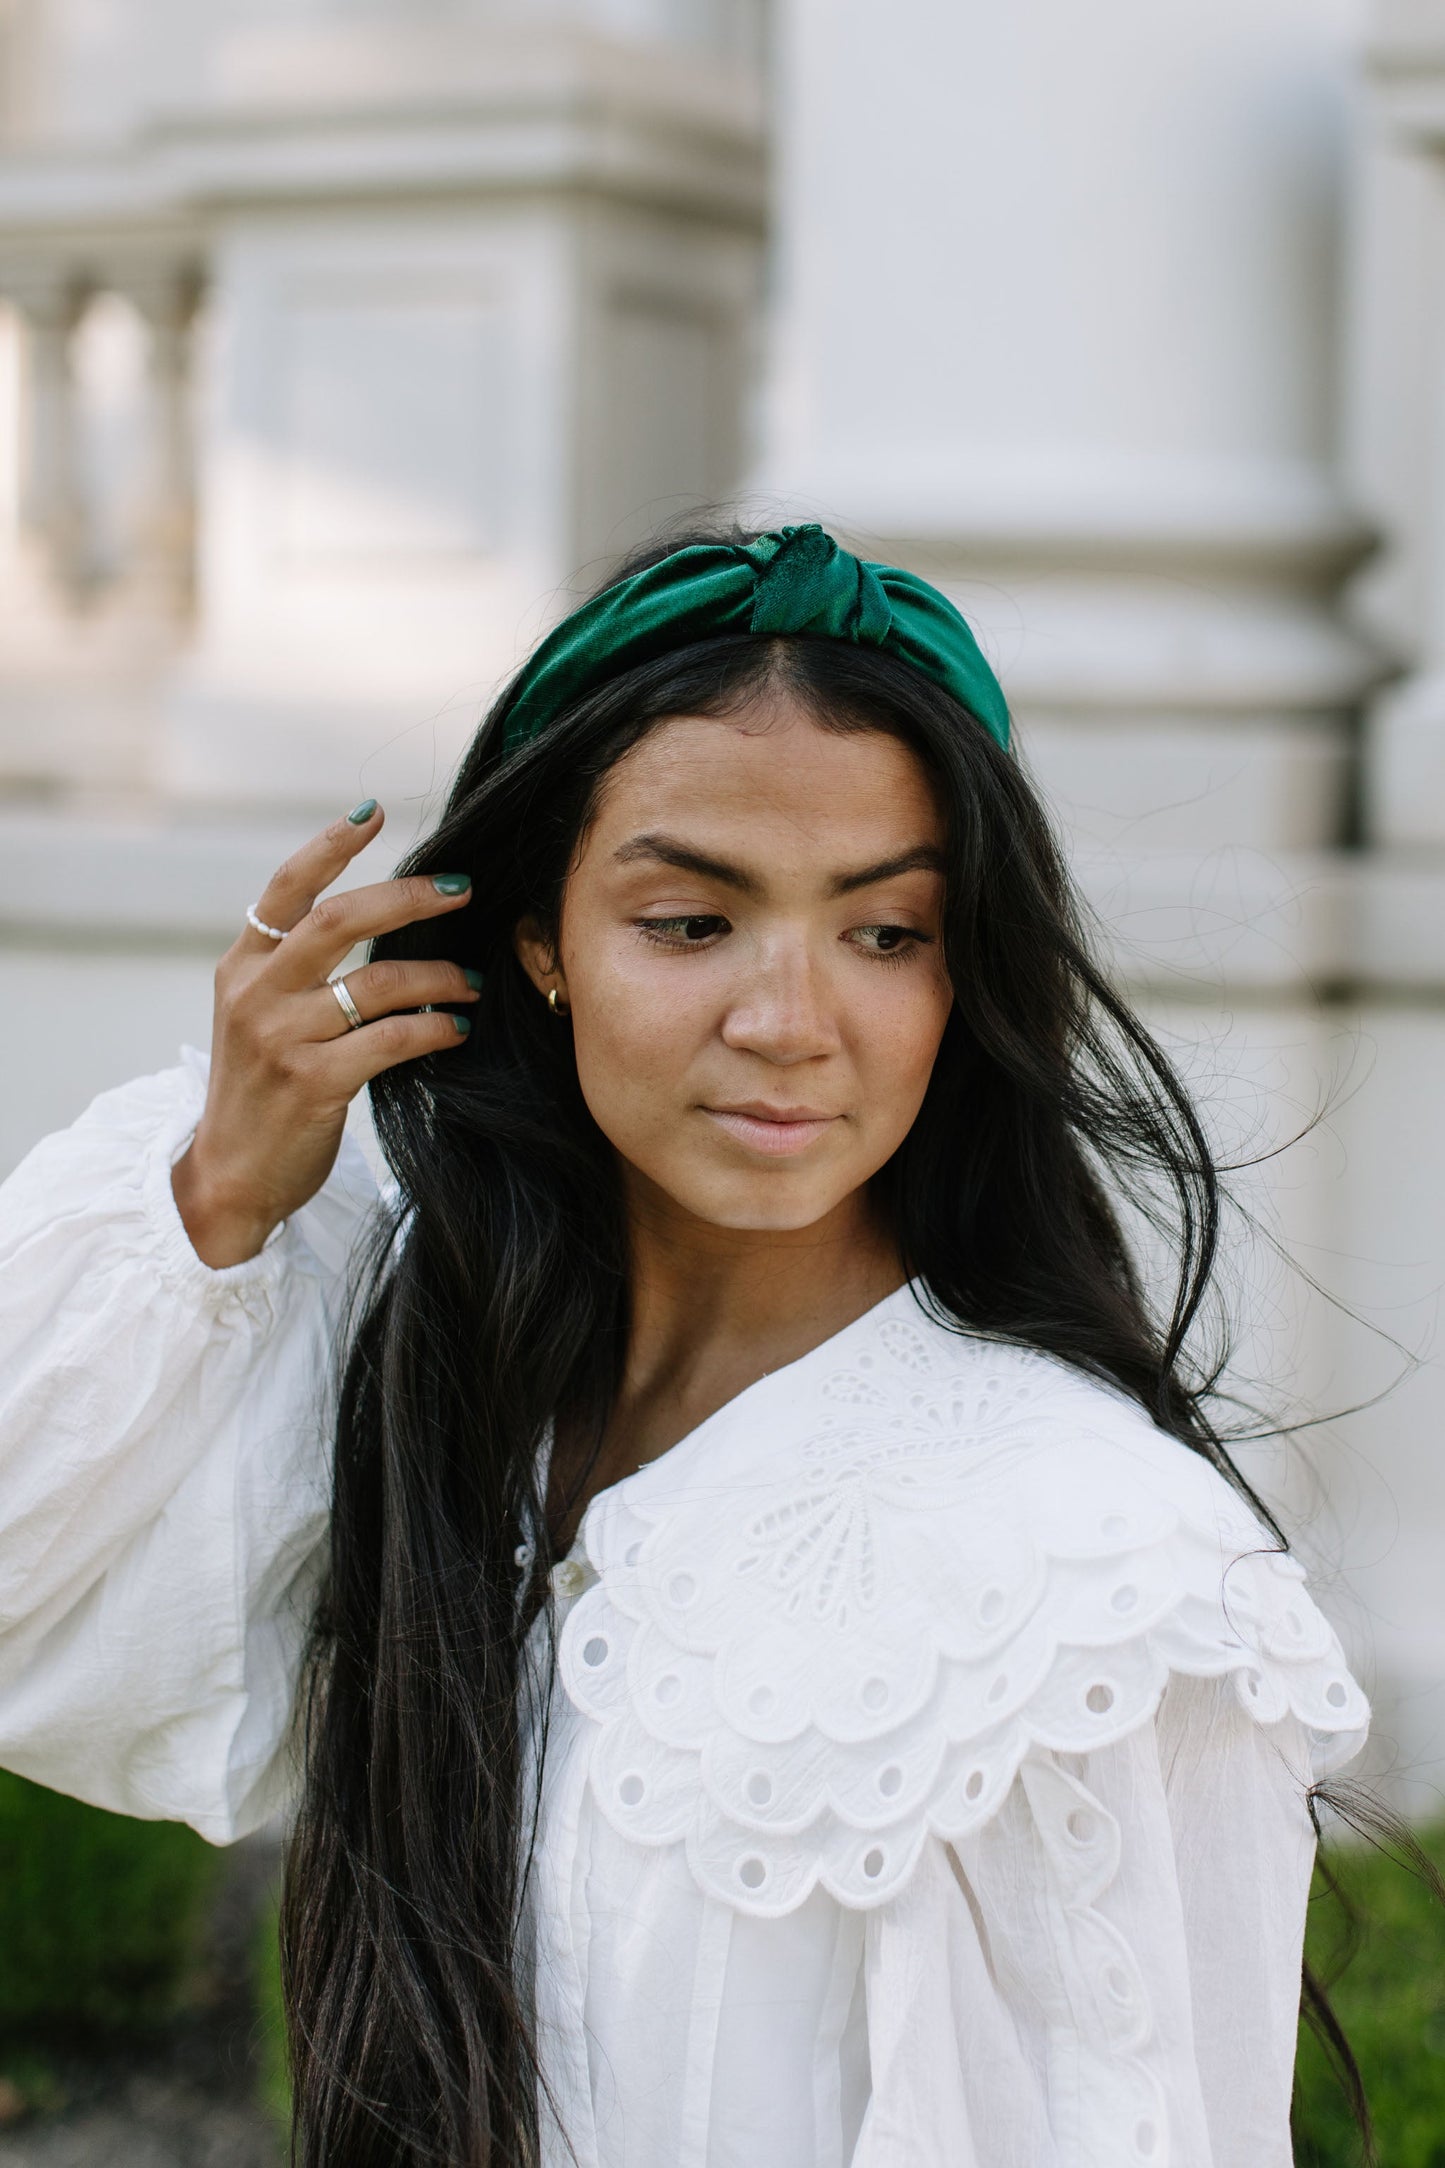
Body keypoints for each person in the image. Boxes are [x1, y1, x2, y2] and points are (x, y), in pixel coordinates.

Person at [0, 522, 1369, 2166]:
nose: (789, 1020)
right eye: (688, 922)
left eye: (885, 933)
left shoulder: (1087, 1569)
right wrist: (216, 1197)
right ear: (538, 947)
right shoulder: (435, 1366)